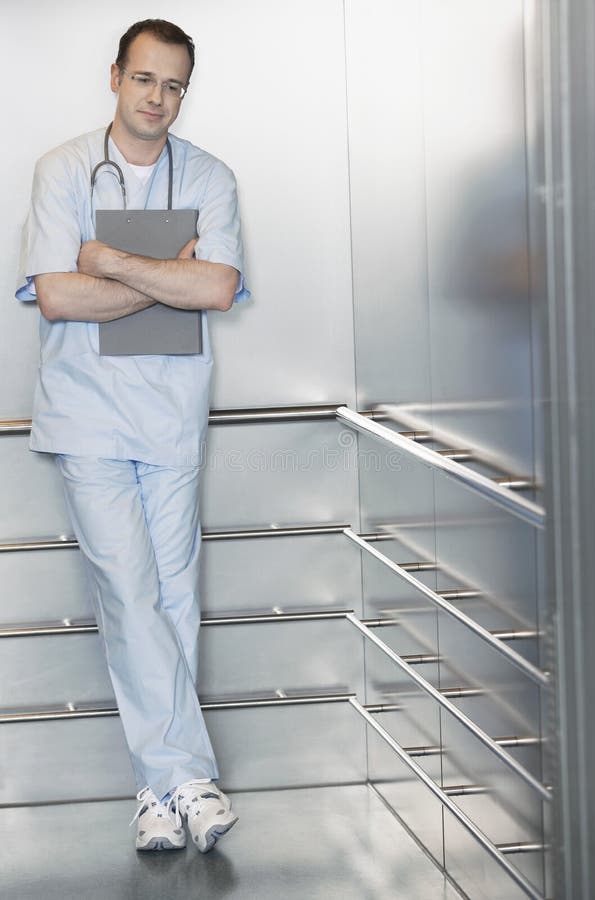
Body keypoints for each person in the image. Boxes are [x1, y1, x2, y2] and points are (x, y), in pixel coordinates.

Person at [16, 19, 249, 854]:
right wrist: (167, 278)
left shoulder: (211, 177)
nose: (158, 98)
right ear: (115, 76)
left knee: (174, 595)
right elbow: (56, 299)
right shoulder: (63, 170)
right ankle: (188, 774)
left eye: (175, 85)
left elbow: (217, 287)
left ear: (187, 90)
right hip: (86, 413)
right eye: (145, 79)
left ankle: (156, 793)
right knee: (127, 590)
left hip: (172, 414)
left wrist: (110, 264)